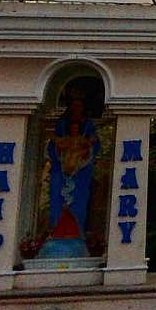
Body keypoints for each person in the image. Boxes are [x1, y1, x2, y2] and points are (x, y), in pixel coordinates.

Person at [40, 84, 100, 257]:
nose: (76, 108)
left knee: (79, 202)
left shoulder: (88, 127)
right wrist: (60, 152)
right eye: (73, 104)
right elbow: (54, 146)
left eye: (79, 104)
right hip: (61, 171)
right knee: (57, 201)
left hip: (81, 173)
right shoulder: (61, 125)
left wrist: (85, 151)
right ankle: (55, 235)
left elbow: (95, 147)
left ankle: (79, 234)